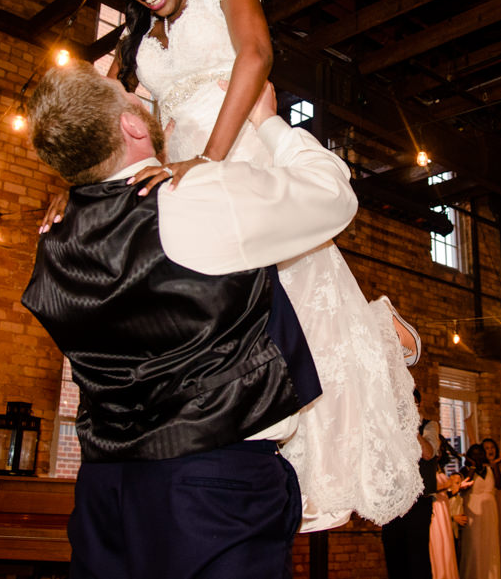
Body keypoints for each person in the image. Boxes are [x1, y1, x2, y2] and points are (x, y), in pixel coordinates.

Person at [101, 0, 422, 530]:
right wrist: (84, 179)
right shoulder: (144, 38)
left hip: (236, 145)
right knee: (238, 312)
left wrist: (209, 159)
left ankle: (379, 336)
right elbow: (120, 113)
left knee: (294, 288)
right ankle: (260, 450)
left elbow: (256, 57)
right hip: (184, 179)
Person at [22, 64, 337, 578]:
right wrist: (269, 122)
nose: (136, 94)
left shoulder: (53, 238)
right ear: (133, 126)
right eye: (127, 93)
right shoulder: (195, 197)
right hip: (212, 485)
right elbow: (332, 195)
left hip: (106, 490)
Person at [384, 389, 441, 579]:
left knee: (417, 558)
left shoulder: (429, 426)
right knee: (394, 555)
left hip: (419, 502)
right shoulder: (391, 429)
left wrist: (411, 429)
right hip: (394, 502)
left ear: (417, 405)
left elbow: (428, 453)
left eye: (411, 403)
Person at [458, 444, 501, 579]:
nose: (478, 457)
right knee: (474, 544)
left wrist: (494, 466)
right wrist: (472, 468)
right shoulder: (465, 470)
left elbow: (500, 485)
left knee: (491, 542)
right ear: (470, 456)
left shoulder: (490, 469)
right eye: (474, 454)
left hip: (490, 509)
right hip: (473, 509)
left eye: (480, 453)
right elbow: (464, 489)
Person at [481, 438, 501, 574]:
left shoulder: (495, 467)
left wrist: (494, 466)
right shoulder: (478, 467)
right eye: (487, 448)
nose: (490, 450)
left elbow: (499, 485)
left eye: (492, 447)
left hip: (494, 505)